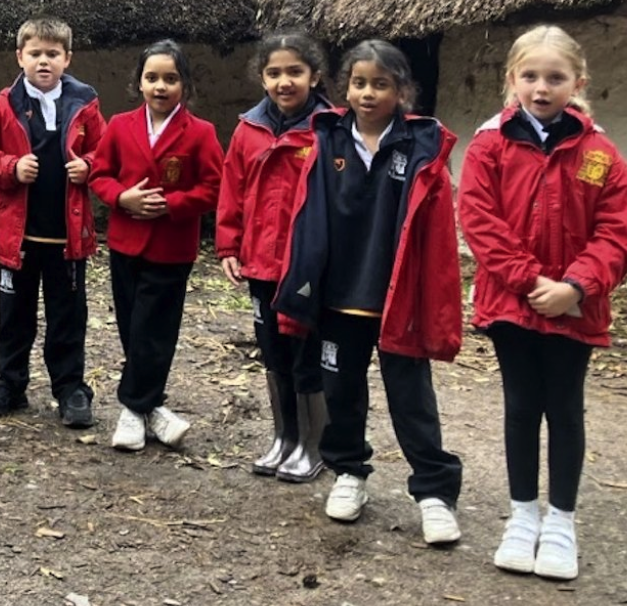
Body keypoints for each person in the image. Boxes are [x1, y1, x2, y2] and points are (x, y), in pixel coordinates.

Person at [459, 26, 627, 582]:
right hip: (512, 304)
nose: (542, 87)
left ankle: (561, 521)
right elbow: (479, 219)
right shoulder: (489, 146)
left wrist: (576, 287)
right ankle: (521, 516)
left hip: (573, 307)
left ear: (577, 83)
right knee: (520, 407)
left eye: (555, 77)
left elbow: (617, 232)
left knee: (564, 410)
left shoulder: (599, 154)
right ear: (512, 80)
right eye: (530, 76)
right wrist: (529, 280)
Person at [275, 40, 464, 546]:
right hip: (339, 298)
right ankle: (349, 472)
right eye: (359, 82)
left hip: (396, 297)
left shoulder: (420, 147)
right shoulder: (329, 141)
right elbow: (306, 219)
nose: (367, 93)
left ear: (402, 91)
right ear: (344, 88)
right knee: (341, 392)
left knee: (411, 397)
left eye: (381, 84)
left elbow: (439, 239)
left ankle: (433, 493)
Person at [0, 18, 106, 426]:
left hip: (67, 237)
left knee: (68, 316)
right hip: (19, 236)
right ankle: (10, 384)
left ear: (67, 58)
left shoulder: (85, 104)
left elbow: (108, 153)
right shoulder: (2, 106)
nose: (43, 62)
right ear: (20, 57)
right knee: (14, 317)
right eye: (35, 54)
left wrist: (89, 166)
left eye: (52, 54)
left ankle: (70, 389)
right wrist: (10, 166)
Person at [90, 40, 223, 452]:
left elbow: (214, 187)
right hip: (125, 242)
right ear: (139, 83)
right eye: (152, 78)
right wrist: (121, 198)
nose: (160, 87)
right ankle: (153, 410)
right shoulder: (120, 125)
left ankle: (132, 409)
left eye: (170, 78)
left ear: (184, 85)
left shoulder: (200, 133)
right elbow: (99, 173)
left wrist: (171, 205)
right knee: (134, 328)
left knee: (156, 330)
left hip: (171, 245)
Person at [215, 32, 332, 482]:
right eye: (274, 73)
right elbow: (233, 189)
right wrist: (229, 245)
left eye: (295, 72)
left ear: (315, 76)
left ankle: (312, 445)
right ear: (262, 78)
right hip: (261, 262)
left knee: (306, 352)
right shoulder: (250, 128)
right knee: (273, 352)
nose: (285, 82)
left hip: (307, 264)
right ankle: (284, 437)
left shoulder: (330, 129)